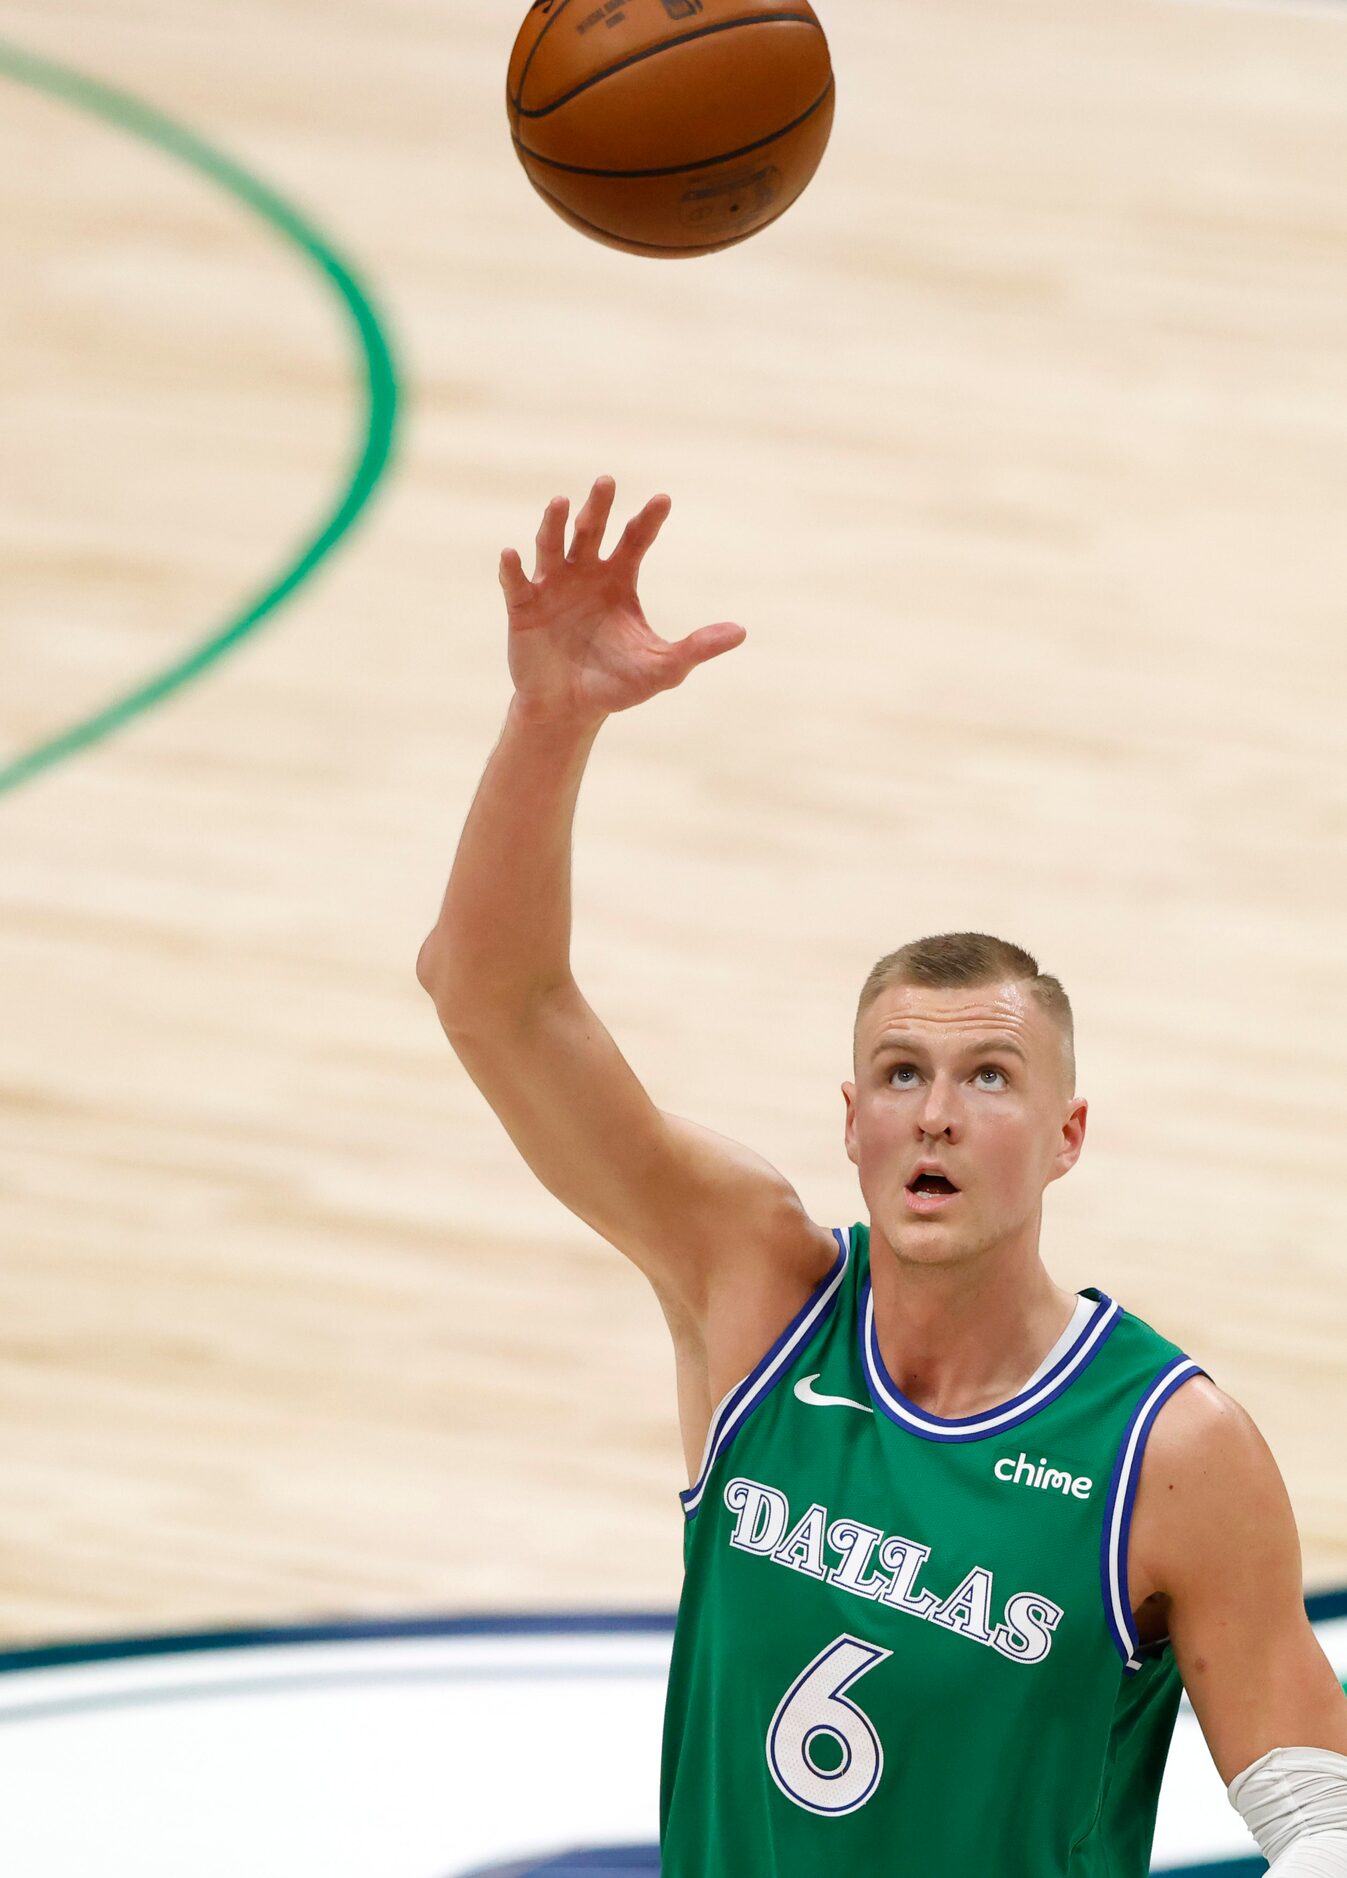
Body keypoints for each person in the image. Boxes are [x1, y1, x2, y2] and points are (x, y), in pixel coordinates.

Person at [416, 475, 1347, 1875]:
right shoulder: (753, 1287)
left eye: (989, 1079)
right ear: (849, 1122)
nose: (937, 1116)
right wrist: (551, 720)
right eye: (902, 1076)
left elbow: (1319, 1817)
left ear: (1068, 1136)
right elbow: (490, 996)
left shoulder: (1170, 1448)